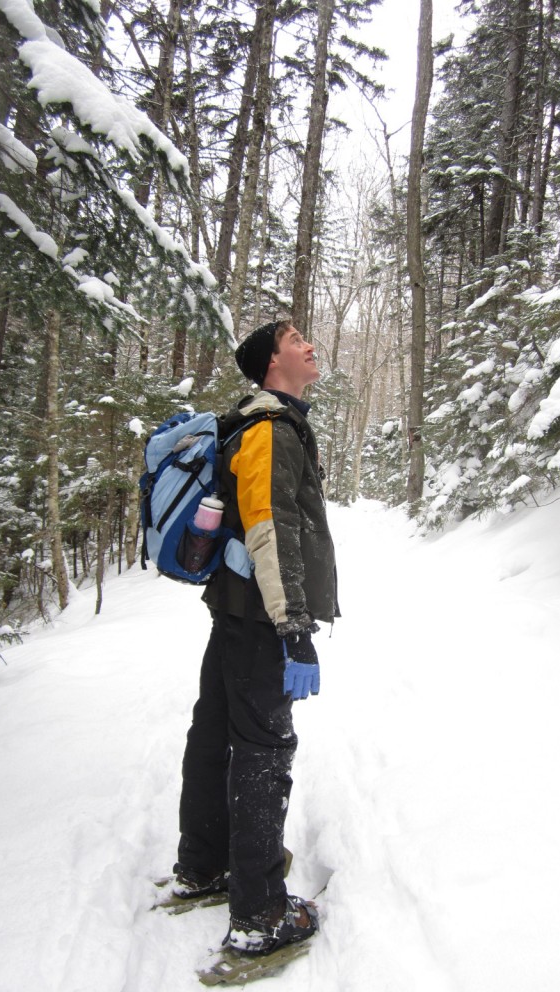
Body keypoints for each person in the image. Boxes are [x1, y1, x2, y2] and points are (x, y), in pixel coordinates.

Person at [171, 320, 338, 955]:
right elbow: (271, 529)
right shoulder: (270, 429)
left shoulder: (253, 422)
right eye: (296, 338)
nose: (309, 345)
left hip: (235, 613)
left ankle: (204, 865)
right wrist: (295, 630)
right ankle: (260, 913)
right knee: (264, 754)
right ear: (273, 361)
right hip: (261, 621)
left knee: (214, 735)